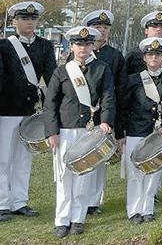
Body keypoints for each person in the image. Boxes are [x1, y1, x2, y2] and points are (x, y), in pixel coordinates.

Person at [43, 26, 115, 237]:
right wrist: (52, 131)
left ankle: (78, 219)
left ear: (92, 46)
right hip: (65, 129)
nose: (83, 48)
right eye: (79, 44)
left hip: (89, 131)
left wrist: (105, 121)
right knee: (64, 177)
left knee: (84, 176)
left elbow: (109, 97)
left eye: (87, 44)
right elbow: (50, 103)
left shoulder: (102, 69)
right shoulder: (62, 71)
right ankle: (61, 220)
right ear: (72, 46)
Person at [0, 1, 53, 222]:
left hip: (31, 111)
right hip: (6, 109)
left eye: (33, 18)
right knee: (3, 159)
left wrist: (51, 108)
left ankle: (19, 202)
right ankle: (2, 203)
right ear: (14, 22)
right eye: (24, 18)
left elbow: (51, 79)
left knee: (23, 159)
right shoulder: (4, 46)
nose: (29, 22)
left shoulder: (45, 46)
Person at [72, 10, 126, 215]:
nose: (102, 31)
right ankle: (78, 199)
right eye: (98, 27)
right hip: (80, 116)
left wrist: (114, 121)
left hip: (104, 116)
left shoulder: (115, 56)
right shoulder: (77, 55)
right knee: (81, 156)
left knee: (99, 160)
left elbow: (119, 90)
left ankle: (93, 202)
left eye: (105, 28)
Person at [122, 37, 162, 223]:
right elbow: (124, 106)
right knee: (135, 172)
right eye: (150, 54)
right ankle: (134, 211)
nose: (154, 57)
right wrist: (121, 132)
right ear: (144, 58)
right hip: (136, 129)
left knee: (154, 171)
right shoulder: (133, 79)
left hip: (158, 131)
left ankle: (148, 209)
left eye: (158, 54)